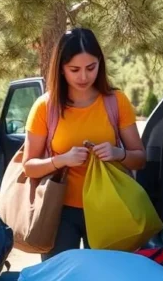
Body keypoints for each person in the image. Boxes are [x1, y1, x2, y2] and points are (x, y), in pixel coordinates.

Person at [22, 27, 145, 258]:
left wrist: (118, 154)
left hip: (108, 208)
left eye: (91, 68)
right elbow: (29, 167)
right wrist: (61, 160)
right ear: (61, 69)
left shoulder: (116, 101)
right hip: (58, 211)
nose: (83, 77)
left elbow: (140, 158)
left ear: (100, 64)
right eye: (74, 69)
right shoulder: (44, 107)